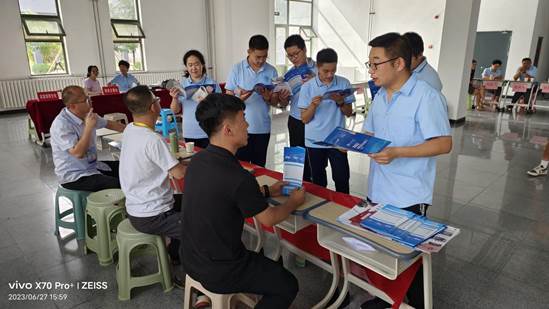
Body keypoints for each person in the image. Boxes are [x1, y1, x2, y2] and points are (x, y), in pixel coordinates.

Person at [180, 93, 305, 309]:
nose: (247, 124)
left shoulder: (198, 160)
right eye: (243, 119)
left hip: (190, 258)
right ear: (228, 130)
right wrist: (293, 201)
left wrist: (266, 191)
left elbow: (224, 194)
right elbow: (269, 218)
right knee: (287, 284)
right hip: (222, 268)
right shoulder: (238, 177)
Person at [362, 32, 452, 308]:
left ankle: (419, 303)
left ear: (398, 63)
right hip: (378, 189)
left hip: (409, 195)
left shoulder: (426, 96)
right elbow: (371, 133)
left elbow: (443, 143)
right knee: (381, 252)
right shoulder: (380, 96)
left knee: (409, 260)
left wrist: (398, 152)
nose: (371, 70)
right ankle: (384, 299)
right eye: (369, 64)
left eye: (376, 63)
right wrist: (350, 142)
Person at [119, 85, 188, 282]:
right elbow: (178, 174)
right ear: (152, 108)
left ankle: (175, 253)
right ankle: (192, 278)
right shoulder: (153, 139)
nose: (159, 103)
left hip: (136, 207)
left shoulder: (131, 129)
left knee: (192, 201)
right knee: (200, 228)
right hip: (153, 214)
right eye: (156, 100)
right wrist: (200, 167)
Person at [298, 48, 355, 194]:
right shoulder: (307, 87)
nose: (330, 75)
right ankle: (320, 211)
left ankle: (344, 209)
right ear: (318, 67)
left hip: (338, 140)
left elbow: (349, 113)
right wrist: (313, 105)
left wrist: (341, 102)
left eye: (333, 70)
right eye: (326, 71)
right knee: (318, 181)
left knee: (342, 178)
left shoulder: (344, 83)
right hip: (315, 140)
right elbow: (304, 119)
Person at [50, 85, 125, 192]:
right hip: (74, 175)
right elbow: (78, 153)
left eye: (88, 97)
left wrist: (135, 131)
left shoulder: (86, 114)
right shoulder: (61, 124)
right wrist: (89, 127)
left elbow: (112, 125)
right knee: (120, 184)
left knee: (127, 167)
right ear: (73, 106)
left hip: (92, 166)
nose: (90, 101)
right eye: (85, 100)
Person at [225, 35, 279, 167]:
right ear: (249, 52)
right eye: (258, 57)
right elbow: (228, 98)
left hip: (262, 128)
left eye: (264, 57)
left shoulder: (271, 71)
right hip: (240, 128)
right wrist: (240, 100)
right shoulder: (237, 69)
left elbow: (275, 102)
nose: (261, 60)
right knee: (241, 167)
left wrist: (268, 98)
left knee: (259, 167)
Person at [278, 34, 316, 182]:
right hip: (295, 119)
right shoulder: (288, 75)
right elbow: (284, 103)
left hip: (315, 120)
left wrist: (315, 82)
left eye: (296, 54)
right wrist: (282, 97)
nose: (293, 58)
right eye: (290, 56)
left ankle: (317, 187)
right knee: (299, 158)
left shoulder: (319, 69)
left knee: (315, 158)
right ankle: (300, 185)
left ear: (304, 49)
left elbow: (329, 93)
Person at [169, 50, 221, 149]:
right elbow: (174, 111)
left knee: (209, 162)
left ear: (202, 65)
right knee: (193, 161)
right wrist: (174, 98)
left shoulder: (212, 84)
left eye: (197, 64)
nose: (194, 68)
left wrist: (208, 101)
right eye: (190, 65)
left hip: (209, 131)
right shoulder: (182, 85)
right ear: (186, 67)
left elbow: (221, 108)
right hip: (190, 131)